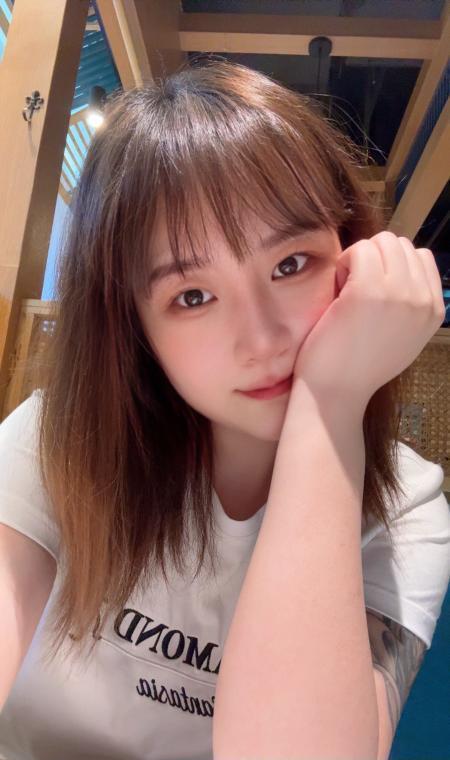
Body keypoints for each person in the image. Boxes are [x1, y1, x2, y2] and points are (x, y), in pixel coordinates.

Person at [0, 59, 448, 760]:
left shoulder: (407, 507)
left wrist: (328, 405)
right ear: (135, 329)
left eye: (291, 264)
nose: (262, 340)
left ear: (354, 260)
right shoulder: (53, 443)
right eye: (193, 297)